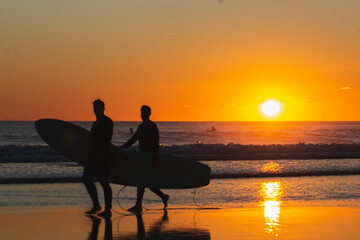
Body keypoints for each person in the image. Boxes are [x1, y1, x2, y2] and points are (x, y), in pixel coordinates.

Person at [120, 105, 169, 213]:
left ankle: (139, 205)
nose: (142, 114)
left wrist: (153, 159)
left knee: (142, 181)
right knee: (143, 181)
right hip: (142, 157)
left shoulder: (152, 126)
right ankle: (162, 197)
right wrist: (121, 148)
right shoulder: (141, 127)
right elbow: (133, 140)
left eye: (145, 112)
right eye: (141, 112)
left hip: (149, 157)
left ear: (149, 113)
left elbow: (156, 144)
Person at [83, 99, 113, 217]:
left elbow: (107, 139)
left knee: (104, 182)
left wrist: (100, 152)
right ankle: (96, 205)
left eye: (98, 108)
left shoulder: (107, 121)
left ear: (103, 108)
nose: (96, 110)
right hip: (93, 155)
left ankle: (108, 209)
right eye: (95, 108)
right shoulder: (95, 124)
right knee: (86, 179)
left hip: (104, 156)